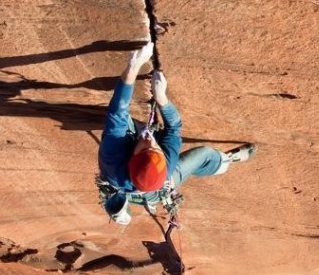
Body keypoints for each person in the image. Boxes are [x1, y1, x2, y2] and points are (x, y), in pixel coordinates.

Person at [97, 43, 255, 224]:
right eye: (152, 149)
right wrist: (162, 98)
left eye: (148, 149)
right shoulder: (168, 166)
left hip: (126, 168)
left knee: (120, 122)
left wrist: (133, 65)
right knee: (203, 154)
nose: (150, 141)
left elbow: (118, 111)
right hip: (158, 189)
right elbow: (174, 127)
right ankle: (226, 160)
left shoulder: (112, 159)